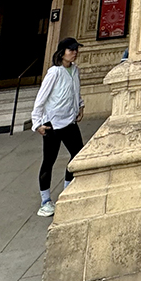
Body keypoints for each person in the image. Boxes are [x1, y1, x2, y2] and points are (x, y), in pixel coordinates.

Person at [31, 36, 85, 217]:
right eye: (71, 50)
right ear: (62, 53)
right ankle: (45, 200)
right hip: (52, 124)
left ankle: (68, 189)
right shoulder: (54, 72)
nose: (74, 53)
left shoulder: (75, 70)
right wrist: (37, 122)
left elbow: (75, 90)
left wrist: (80, 105)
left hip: (69, 121)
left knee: (77, 154)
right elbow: (41, 98)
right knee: (49, 161)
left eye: (76, 50)